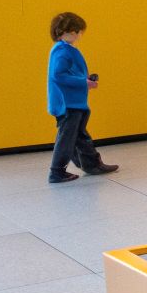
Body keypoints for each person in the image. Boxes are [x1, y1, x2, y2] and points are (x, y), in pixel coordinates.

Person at [47, 12, 118, 184]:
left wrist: (84, 80)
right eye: (79, 32)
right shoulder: (62, 51)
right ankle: (57, 171)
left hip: (74, 102)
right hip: (68, 104)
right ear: (70, 31)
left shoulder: (65, 49)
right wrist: (83, 82)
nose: (80, 35)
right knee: (68, 137)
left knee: (78, 135)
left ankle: (92, 163)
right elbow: (58, 75)